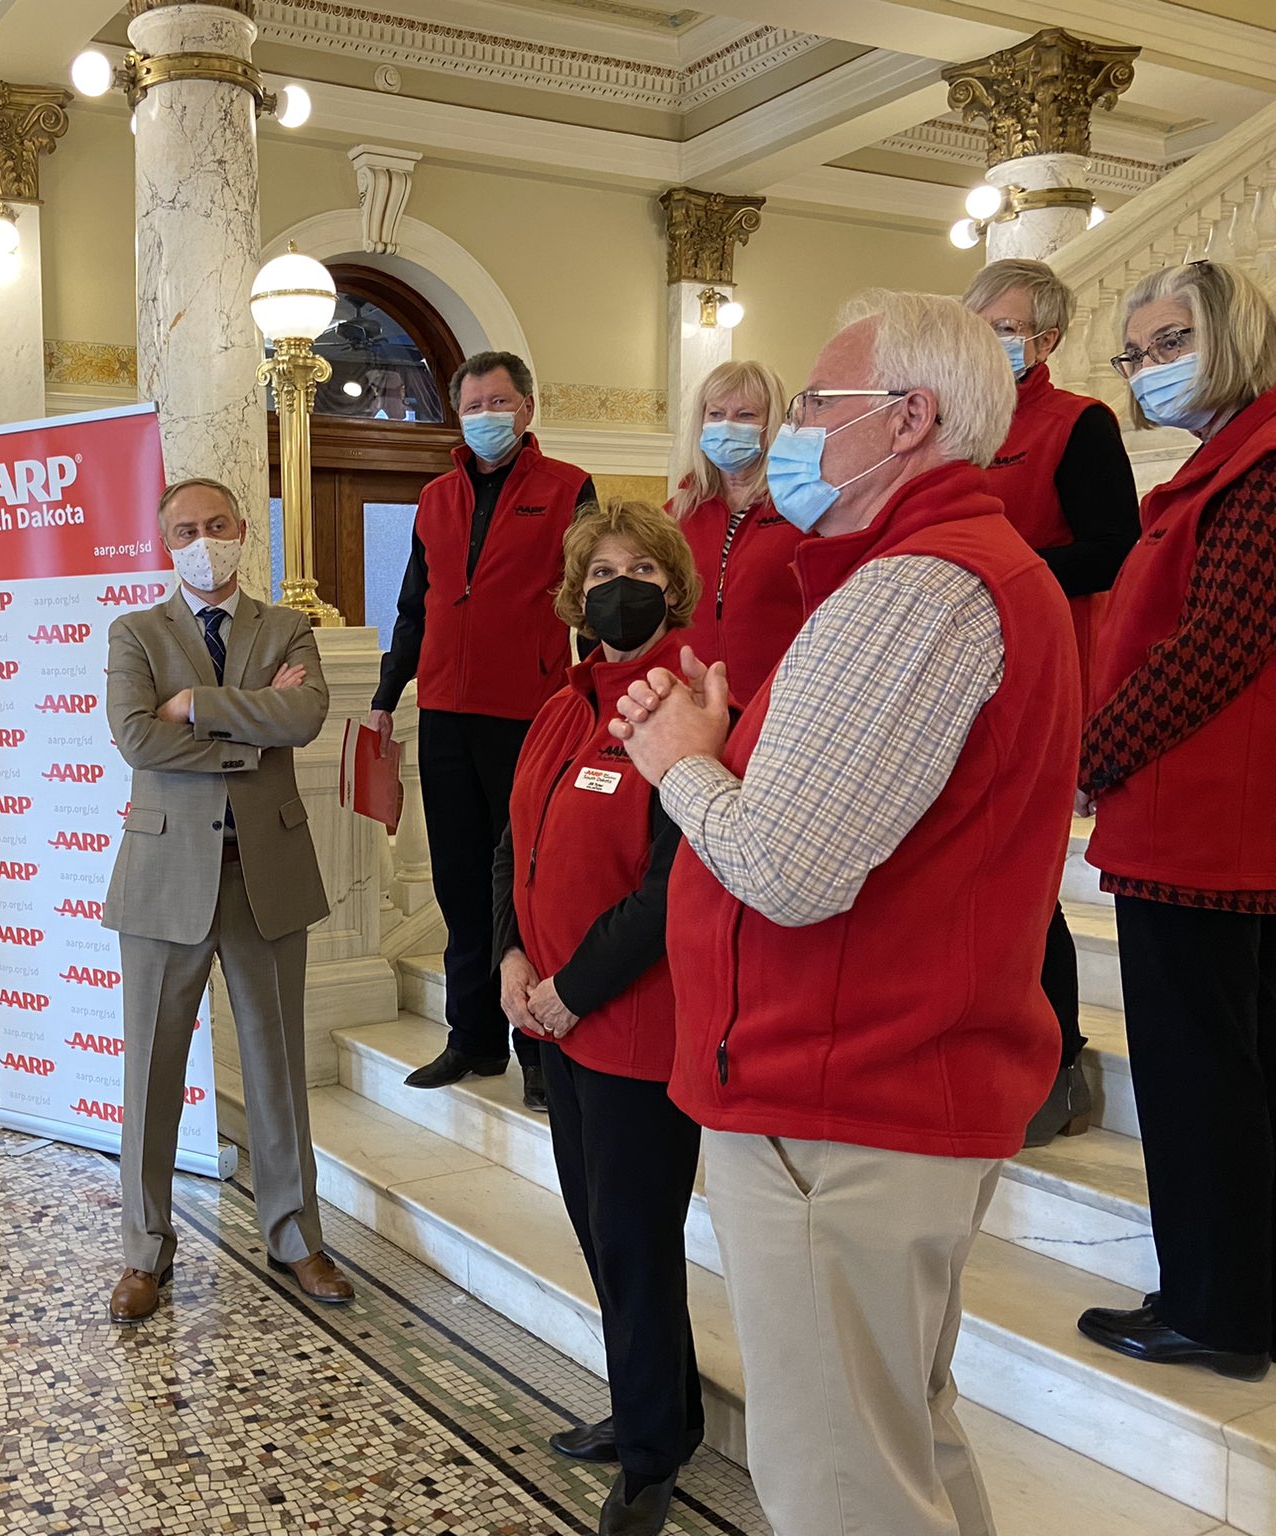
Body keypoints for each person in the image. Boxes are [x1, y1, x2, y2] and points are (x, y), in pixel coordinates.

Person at [611, 291, 1078, 1536]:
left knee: (839, 1491)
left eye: (816, 404)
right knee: (900, 1449)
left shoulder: (916, 588)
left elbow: (786, 867)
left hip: (840, 1100)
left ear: (905, 419)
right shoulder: (935, 574)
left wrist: (678, 759)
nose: (790, 430)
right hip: (876, 1085)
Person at [1075, 259, 1276, 1383]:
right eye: (1136, 353)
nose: (1149, 369)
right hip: (1202, 819)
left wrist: (1091, 752)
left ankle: (1214, 1309)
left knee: (1197, 1076)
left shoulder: (1257, 467)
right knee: (1228, 1070)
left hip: (1201, 827)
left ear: (1232, 335)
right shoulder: (1226, 463)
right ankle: (1231, 1288)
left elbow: (1210, 648)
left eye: (1167, 343)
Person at [492, 502, 704, 1536]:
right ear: (576, 599)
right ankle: (649, 1408)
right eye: (600, 571)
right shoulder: (560, 706)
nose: (619, 585)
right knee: (600, 1230)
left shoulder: (685, 709)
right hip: (550, 1017)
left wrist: (571, 989)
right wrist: (508, 957)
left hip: (630, 1029)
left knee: (632, 1236)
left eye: (641, 568)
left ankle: (653, 1453)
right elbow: (510, 848)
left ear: (672, 587)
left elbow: (669, 892)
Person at [102, 477, 352, 1322]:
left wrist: (197, 707)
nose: (202, 540)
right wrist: (248, 735)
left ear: (244, 531)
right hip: (166, 882)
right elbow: (138, 738)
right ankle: (144, 1251)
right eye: (184, 529)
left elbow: (305, 718)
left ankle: (295, 1237)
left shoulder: (287, 626)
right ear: (163, 540)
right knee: (152, 1072)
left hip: (265, 875)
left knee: (278, 1068)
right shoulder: (136, 631)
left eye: (216, 525)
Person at [364, 350, 596, 1112]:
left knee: (526, 883)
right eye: (472, 405)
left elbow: (593, 601)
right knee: (460, 882)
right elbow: (414, 604)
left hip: (529, 714)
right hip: (444, 713)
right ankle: (473, 1038)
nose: (486, 416)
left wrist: (598, 697)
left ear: (528, 408)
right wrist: (385, 693)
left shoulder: (568, 489)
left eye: (499, 402)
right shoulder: (434, 497)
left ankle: (537, 1044)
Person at [964, 257, 1142, 1146]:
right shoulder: (957, 423)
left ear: (1048, 339)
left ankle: (1059, 1061)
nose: (991, 339)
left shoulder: (1080, 424)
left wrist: (1012, 574)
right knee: (974, 871)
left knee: (1029, 878)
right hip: (960, 674)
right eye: (979, 321)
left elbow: (1116, 548)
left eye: (1006, 326)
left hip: (1044, 672)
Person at [667, 359, 805, 706]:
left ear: (770, 426)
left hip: (777, 703)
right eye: (716, 414)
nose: (727, 425)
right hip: (690, 700)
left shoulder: (805, 512)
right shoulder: (675, 514)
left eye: (745, 415)